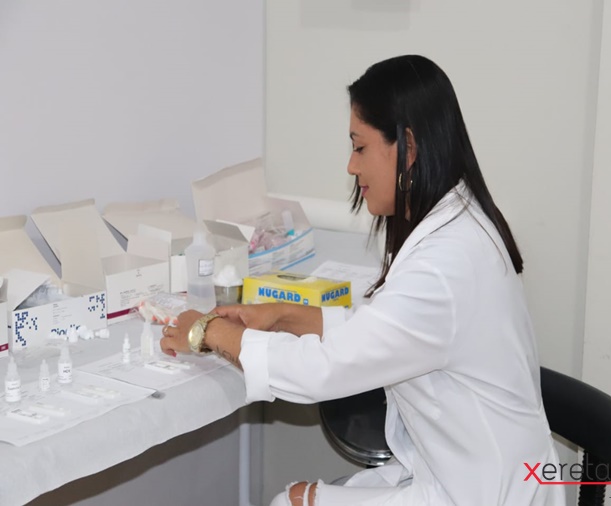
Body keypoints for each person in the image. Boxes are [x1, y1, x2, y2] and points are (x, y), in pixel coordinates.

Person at [160, 55, 566, 506]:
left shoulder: (445, 263)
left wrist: (209, 330)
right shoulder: (457, 221)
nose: (352, 167)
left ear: (407, 147)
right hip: (463, 471)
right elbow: (385, 330)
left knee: (291, 501)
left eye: (360, 147)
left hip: (482, 492)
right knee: (296, 499)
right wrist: (284, 316)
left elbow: (322, 370)